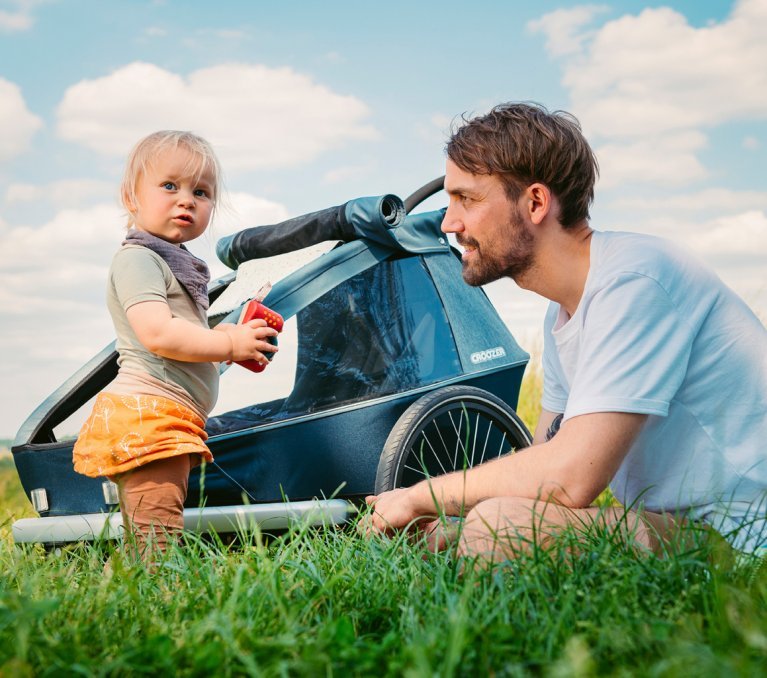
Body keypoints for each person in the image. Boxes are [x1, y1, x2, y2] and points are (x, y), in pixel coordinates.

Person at [365, 103, 767, 561]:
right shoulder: (562, 314)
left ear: (535, 202)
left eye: (467, 200)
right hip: (681, 525)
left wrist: (421, 495)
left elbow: (570, 478)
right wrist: (452, 526)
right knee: (494, 521)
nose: (448, 223)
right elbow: (544, 469)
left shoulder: (635, 280)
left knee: (499, 529)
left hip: (743, 534)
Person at [72, 131, 278, 560]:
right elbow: (159, 334)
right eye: (170, 186)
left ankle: (127, 592)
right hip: (149, 414)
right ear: (132, 195)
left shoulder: (172, 262)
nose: (186, 200)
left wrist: (235, 332)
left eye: (200, 192)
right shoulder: (138, 259)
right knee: (159, 536)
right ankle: (159, 604)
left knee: (148, 532)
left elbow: (186, 333)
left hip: (168, 413)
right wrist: (227, 343)